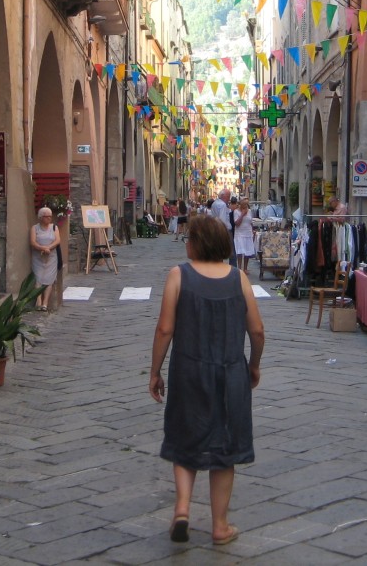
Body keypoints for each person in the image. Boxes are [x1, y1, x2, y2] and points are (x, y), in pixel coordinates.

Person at [150, 215, 264, 546]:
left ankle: (182, 509)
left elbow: (164, 329)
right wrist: (253, 365)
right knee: (225, 448)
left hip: (188, 370)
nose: (185, 241)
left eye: (189, 237)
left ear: (198, 243)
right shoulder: (238, 278)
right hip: (230, 373)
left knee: (185, 440)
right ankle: (220, 526)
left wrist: (155, 371)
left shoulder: (178, 276)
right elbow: (256, 330)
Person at [28, 206, 62, 312]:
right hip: (38, 257)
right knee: (37, 278)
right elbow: (33, 242)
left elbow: (57, 240)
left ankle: (45, 303)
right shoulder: (35, 228)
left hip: (51, 257)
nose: (49, 218)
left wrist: (48, 248)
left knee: (49, 279)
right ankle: (38, 301)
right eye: (47, 216)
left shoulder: (54, 227)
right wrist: (42, 248)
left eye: (50, 216)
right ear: (41, 217)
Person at [233, 198, 256, 274]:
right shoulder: (236, 212)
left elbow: (250, 221)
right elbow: (237, 223)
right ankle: (239, 268)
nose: (246, 206)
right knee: (240, 251)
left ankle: (245, 268)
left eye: (247, 204)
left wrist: (253, 230)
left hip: (248, 233)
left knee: (247, 252)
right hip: (240, 233)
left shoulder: (249, 211)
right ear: (241, 204)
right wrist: (242, 214)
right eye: (244, 204)